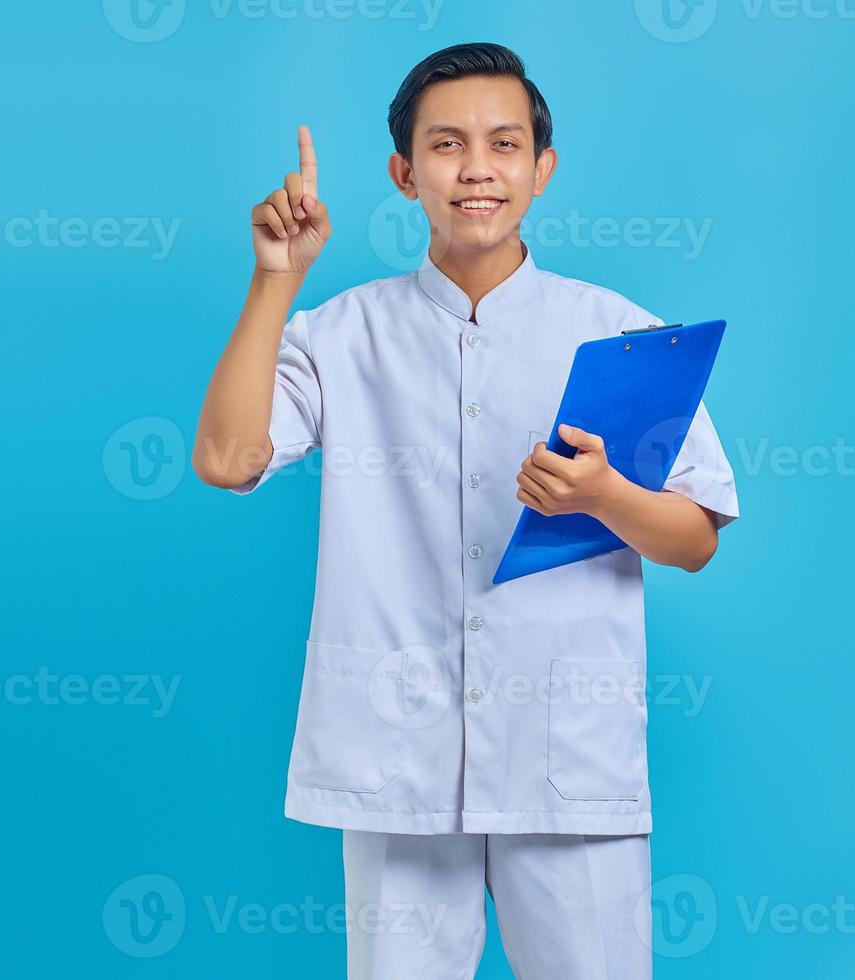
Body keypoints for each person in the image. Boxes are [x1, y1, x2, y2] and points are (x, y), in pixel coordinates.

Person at [193, 41, 738, 980]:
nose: (477, 169)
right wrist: (277, 280)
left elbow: (696, 541)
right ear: (404, 173)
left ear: (542, 168)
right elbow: (225, 459)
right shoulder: (343, 333)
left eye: (504, 144)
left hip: (568, 760)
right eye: (446, 145)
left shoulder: (621, 334)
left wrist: (606, 494)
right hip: (395, 754)